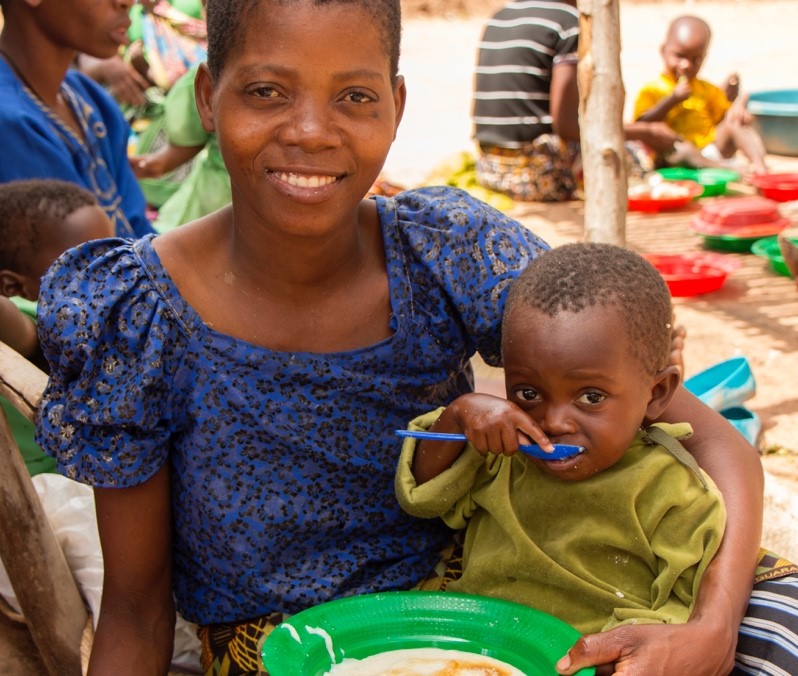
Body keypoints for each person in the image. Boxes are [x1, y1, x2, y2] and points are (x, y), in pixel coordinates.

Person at [33, 1, 795, 675]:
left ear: (396, 107)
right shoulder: (136, 313)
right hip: (286, 650)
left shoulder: (445, 249)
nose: (310, 131)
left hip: (496, 613)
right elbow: (135, 612)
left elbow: (712, 442)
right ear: (206, 96)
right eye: (266, 91)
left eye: (355, 97)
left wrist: (711, 628)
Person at [396, 242, 726, 639]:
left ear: (655, 395)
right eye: (528, 394)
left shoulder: (672, 492)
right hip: (471, 644)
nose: (553, 422)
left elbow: (681, 611)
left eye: (591, 397)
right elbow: (423, 497)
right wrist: (459, 414)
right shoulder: (504, 454)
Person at [0, 177, 203, 672]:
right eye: (78, 259)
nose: (108, 269)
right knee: (122, 572)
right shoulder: (36, 318)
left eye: (112, 247)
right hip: (50, 492)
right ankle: (182, 651)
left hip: (108, 482)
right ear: (13, 284)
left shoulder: (124, 310)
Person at [471, 0, 684, 202]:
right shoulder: (566, 23)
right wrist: (643, 132)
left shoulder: (499, 17)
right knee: (634, 153)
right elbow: (567, 127)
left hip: (489, 171)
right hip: (538, 176)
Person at [0, 0, 155, 239]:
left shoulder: (90, 99)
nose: (126, 2)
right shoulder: (9, 122)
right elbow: (75, 263)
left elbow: (138, 229)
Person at [633, 15, 768, 175]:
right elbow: (641, 125)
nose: (686, 65)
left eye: (696, 59)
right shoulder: (653, 89)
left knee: (734, 126)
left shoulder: (706, 89)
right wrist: (671, 100)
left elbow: (725, 117)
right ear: (663, 51)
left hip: (710, 148)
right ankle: (729, 169)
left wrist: (738, 109)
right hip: (676, 155)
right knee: (682, 150)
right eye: (680, 56)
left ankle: (760, 169)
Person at [129, 61, 230, 232]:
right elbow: (186, 144)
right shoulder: (217, 74)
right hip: (210, 207)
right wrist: (153, 165)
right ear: (205, 93)